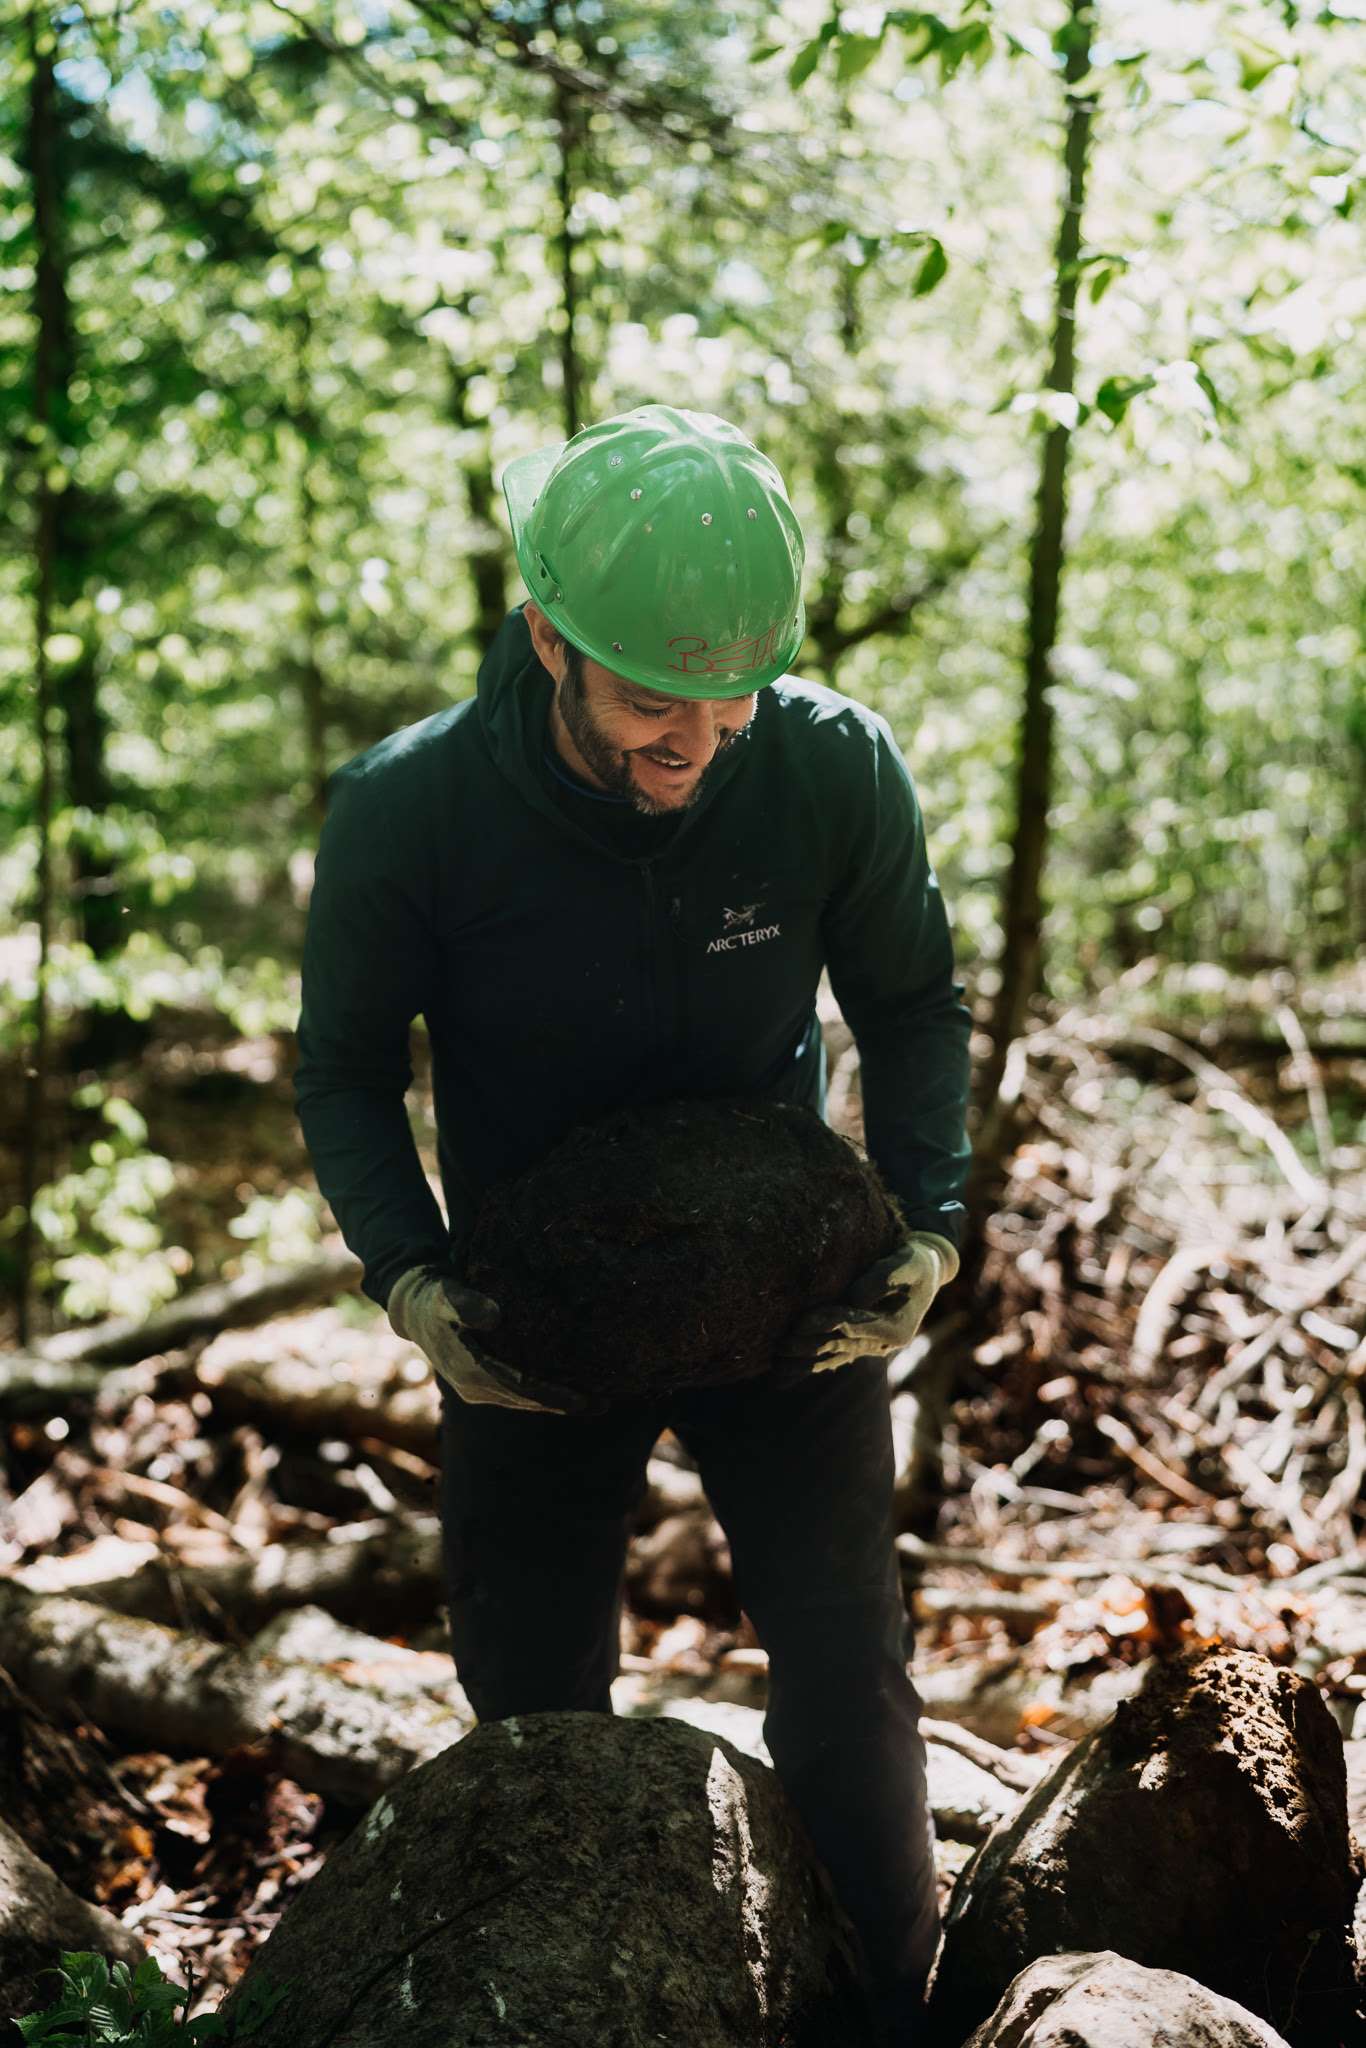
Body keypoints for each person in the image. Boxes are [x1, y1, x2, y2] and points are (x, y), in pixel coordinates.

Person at [294, 403, 972, 2042]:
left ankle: (891, 2003)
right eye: (647, 704)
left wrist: (933, 1231)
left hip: (782, 1289)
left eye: (721, 707)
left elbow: (912, 1001)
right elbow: (338, 1070)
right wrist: (409, 1280)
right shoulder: (413, 809)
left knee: (846, 1675)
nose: (689, 745)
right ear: (546, 639)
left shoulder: (826, 767)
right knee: (529, 1714)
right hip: (535, 1317)